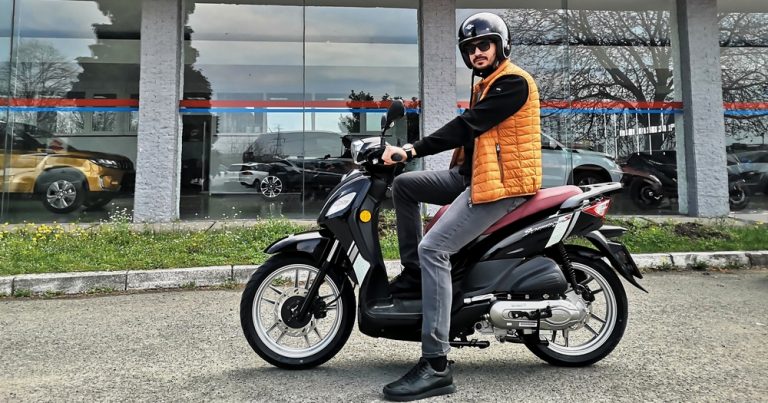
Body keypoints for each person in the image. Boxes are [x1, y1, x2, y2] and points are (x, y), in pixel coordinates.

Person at [379, 12, 542, 401]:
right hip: (474, 177)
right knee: (405, 186)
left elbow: (466, 126)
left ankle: (436, 364)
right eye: (470, 48)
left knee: (435, 248)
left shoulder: (513, 82)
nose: (477, 52)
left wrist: (412, 150)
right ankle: (415, 274)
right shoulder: (486, 84)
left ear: (501, 45)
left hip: (502, 187)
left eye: (484, 45)